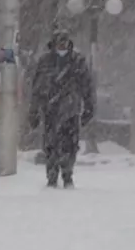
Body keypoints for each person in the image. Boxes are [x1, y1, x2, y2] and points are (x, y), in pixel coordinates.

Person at [28, 27, 96, 188]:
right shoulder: (45, 62)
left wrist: (88, 107)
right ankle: (52, 175)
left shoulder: (77, 61)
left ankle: (67, 175)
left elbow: (87, 86)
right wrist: (34, 111)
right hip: (50, 110)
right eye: (59, 43)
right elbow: (37, 88)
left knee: (70, 145)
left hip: (71, 111)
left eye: (64, 42)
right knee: (51, 145)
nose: (62, 46)